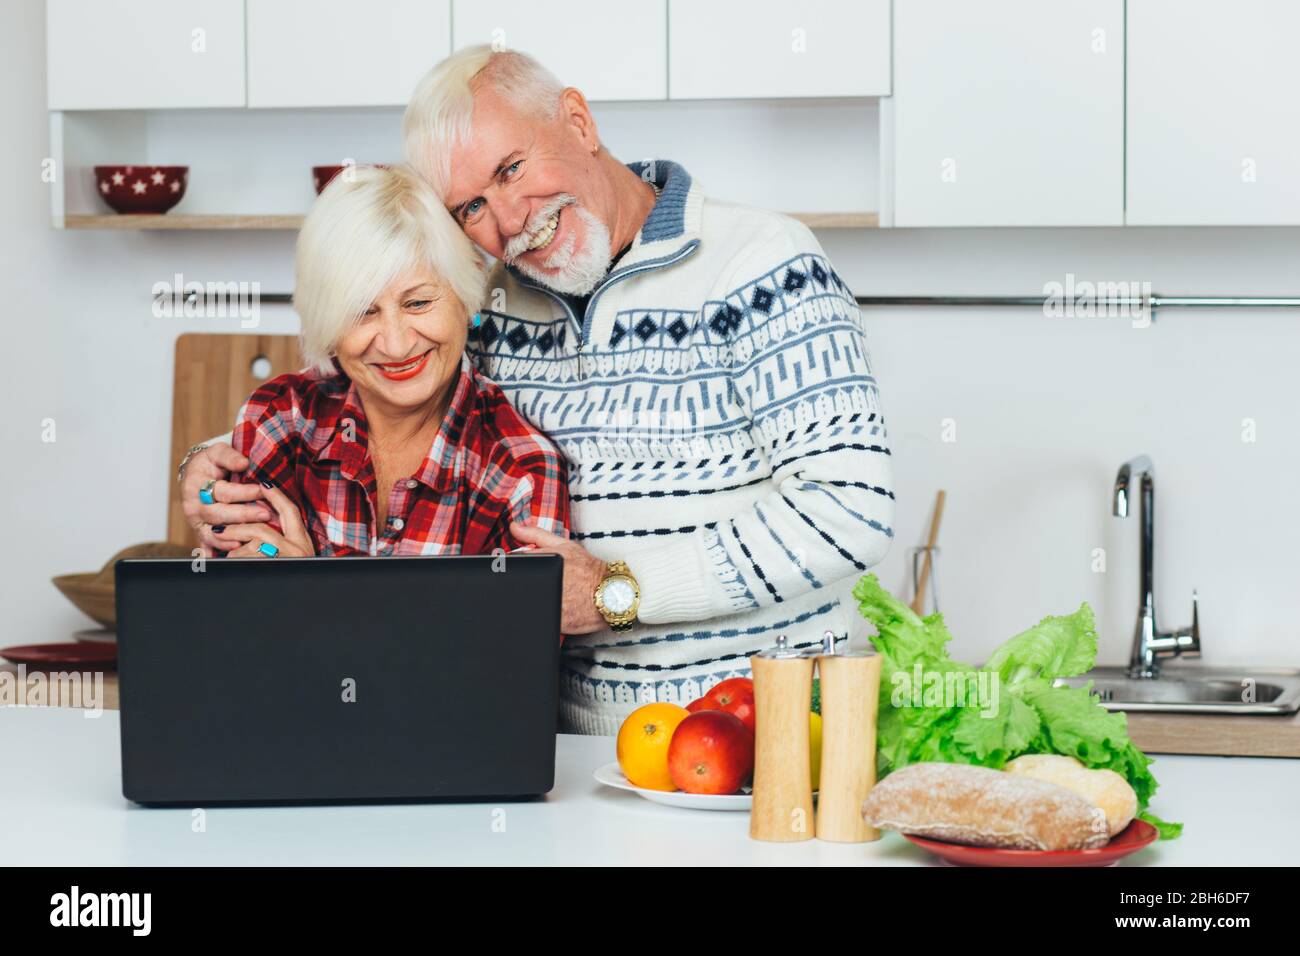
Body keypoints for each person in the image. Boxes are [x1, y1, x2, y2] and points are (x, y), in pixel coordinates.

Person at [180, 47, 893, 734]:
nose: (512, 220)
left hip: (766, 732)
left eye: (512, 168)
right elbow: (379, 380)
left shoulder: (763, 263)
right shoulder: (494, 302)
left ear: (578, 122)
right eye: (471, 208)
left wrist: (620, 592)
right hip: (578, 752)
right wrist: (217, 461)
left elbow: (850, 509)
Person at [207, 163, 568, 561]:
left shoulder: (521, 470)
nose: (396, 346)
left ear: (466, 293)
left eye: (418, 302)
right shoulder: (279, 418)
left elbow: (518, 624)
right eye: (362, 311)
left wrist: (303, 589)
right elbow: (237, 611)